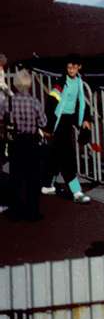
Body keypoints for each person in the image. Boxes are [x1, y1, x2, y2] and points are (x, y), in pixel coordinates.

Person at [42, 53, 92, 203]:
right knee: (68, 156)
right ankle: (76, 191)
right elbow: (50, 106)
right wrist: (49, 128)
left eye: (74, 68)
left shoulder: (79, 82)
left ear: (79, 67)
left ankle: (47, 185)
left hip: (68, 121)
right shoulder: (60, 84)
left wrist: (85, 120)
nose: (71, 70)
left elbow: (81, 102)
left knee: (58, 156)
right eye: (69, 68)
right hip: (60, 122)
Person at [1, 70, 48, 222]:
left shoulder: (8, 102)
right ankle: (32, 211)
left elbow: (1, 117)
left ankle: (14, 210)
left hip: (15, 141)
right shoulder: (34, 102)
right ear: (29, 85)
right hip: (31, 141)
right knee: (32, 177)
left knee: (16, 176)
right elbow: (43, 122)